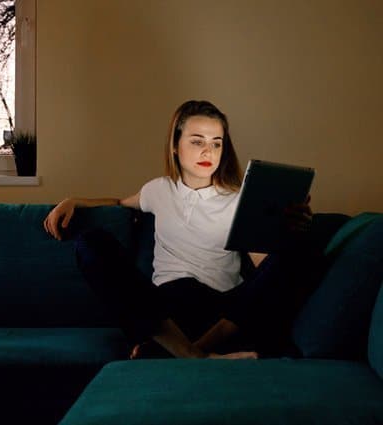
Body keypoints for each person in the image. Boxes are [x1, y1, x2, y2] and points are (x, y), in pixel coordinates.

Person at [43, 100, 317, 360]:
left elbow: (265, 267)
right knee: (90, 242)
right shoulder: (158, 190)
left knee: (297, 253)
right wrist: (74, 201)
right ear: (175, 145)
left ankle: (184, 352)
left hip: (222, 314)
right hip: (164, 314)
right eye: (197, 141)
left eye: (216, 144)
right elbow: (118, 203)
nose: (208, 152)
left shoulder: (239, 200)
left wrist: (289, 233)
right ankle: (191, 354)